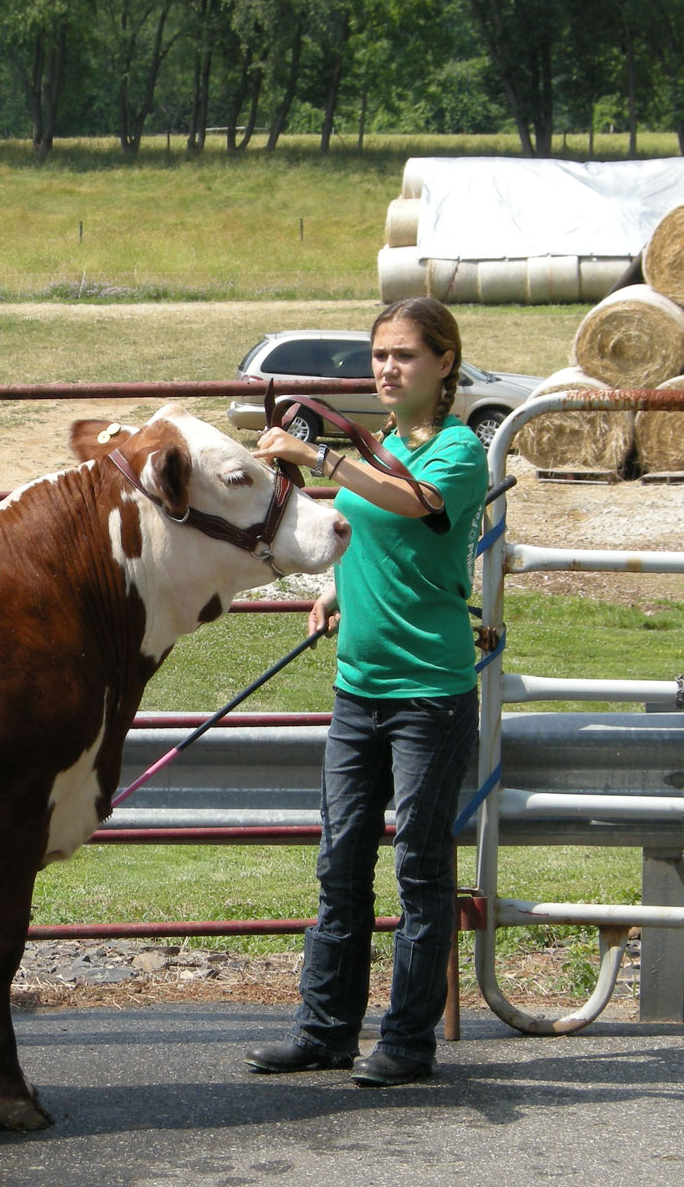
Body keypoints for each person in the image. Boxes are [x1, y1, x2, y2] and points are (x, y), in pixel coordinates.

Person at [245, 296, 488, 1087]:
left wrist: (318, 461)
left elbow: (416, 509)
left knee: (419, 867)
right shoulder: (380, 444)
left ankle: (408, 1044)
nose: (387, 368)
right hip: (360, 688)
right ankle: (324, 1033)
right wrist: (340, 593)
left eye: (406, 355)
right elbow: (373, 535)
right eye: (380, 354)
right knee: (341, 861)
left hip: (430, 693)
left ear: (444, 364)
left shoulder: (455, 450)